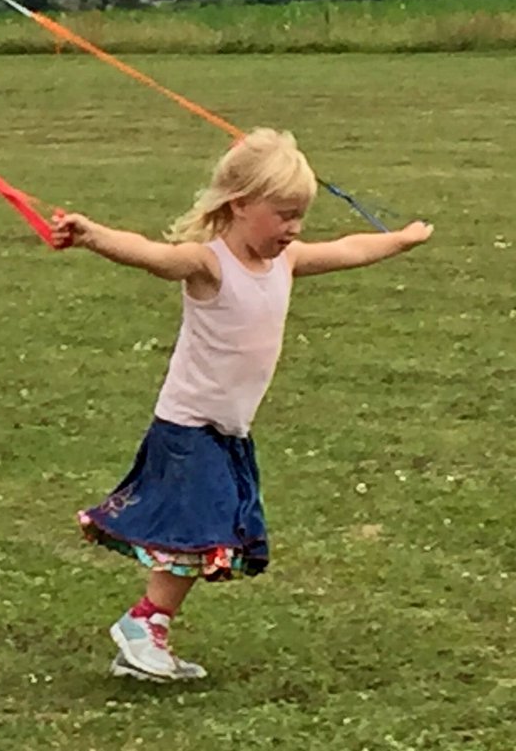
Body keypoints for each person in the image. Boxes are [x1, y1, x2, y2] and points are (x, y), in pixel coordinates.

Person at [51, 128, 433, 683]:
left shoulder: (286, 261)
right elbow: (154, 256)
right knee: (198, 533)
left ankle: (145, 629)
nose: (294, 229)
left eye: (300, 216)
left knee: (205, 534)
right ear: (240, 205)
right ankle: (143, 625)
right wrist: (92, 235)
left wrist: (399, 240)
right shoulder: (209, 265)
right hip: (189, 427)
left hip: (227, 430)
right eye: (283, 215)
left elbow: (350, 248)